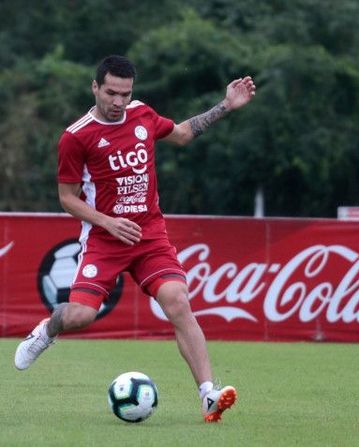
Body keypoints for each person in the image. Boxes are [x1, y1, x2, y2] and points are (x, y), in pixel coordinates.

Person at [14, 55, 256, 423]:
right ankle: (47, 330)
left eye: (125, 94)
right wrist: (108, 222)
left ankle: (208, 395)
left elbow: (183, 134)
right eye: (111, 93)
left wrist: (226, 105)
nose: (118, 102)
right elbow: (66, 198)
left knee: (177, 300)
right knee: (79, 316)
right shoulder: (75, 137)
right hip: (104, 239)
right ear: (95, 87)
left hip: (149, 235)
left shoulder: (142, 114)